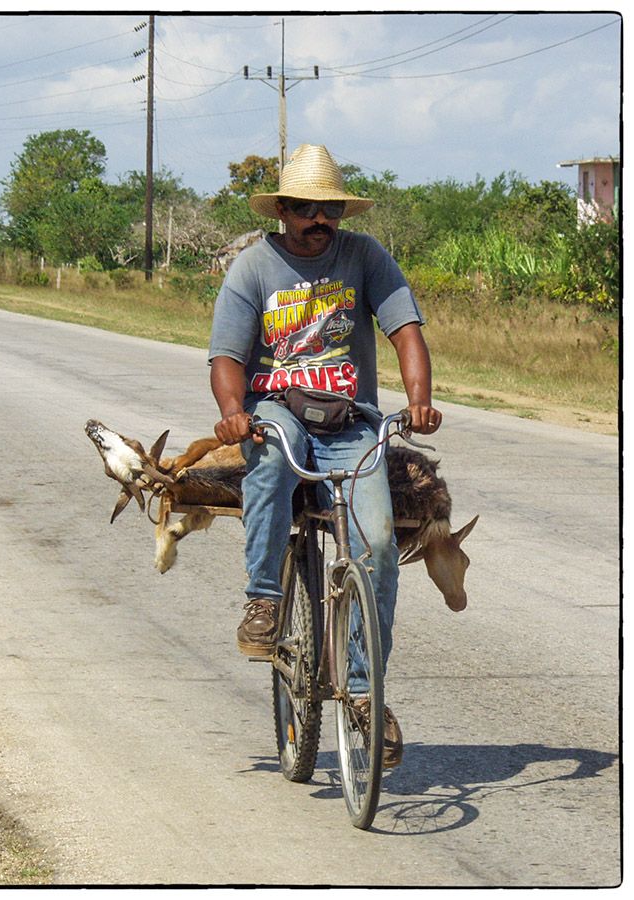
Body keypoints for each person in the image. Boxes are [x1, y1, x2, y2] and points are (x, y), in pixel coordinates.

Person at [208, 144, 442, 767]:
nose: (320, 219)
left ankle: (365, 694)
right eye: (307, 208)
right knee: (270, 465)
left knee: (381, 544)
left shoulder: (364, 256)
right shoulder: (254, 267)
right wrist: (236, 412)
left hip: (351, 421)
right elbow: (227, 356)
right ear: (283, 209)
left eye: (330, 209)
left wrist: (418, 399)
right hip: (280, 411)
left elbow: (405, 331)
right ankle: (263, 598)